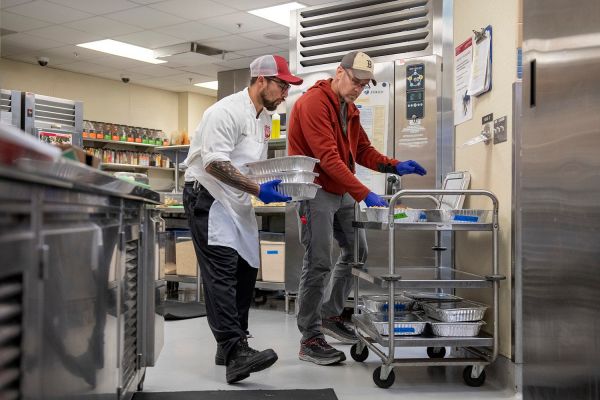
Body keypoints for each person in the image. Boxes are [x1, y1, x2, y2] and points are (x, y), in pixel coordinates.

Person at [287, 51, 427, 365]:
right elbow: (328, 159)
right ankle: (309, 337)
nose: (358, 89)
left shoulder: (348, 108)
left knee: (357, 253)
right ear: (339, 72)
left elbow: (360, 149)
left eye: (364, 85)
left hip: (341, 190)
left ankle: (331, 314)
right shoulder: (312, 104)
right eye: (355, 81)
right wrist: (364, 193)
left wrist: (393, 165)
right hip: (316, 190)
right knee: (319, 261)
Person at [182, 54, 303, 383]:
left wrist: (270, 182)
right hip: (207, 197)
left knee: (247, 269)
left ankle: (229, 346)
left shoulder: (264, 118)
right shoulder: (225, 111)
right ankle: (235, 351)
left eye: (287, 88)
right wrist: (257, 189)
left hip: (235, 199)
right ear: (261, 80)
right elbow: (214, 163)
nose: (285, 94)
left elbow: (247, 165)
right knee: (221, 273)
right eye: (281, 86)